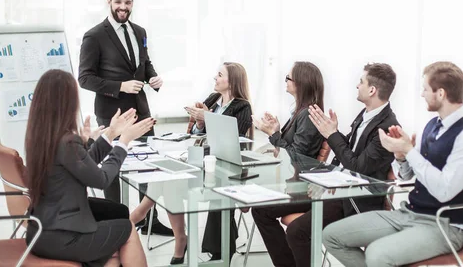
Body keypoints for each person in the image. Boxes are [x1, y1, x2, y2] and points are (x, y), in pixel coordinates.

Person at [323, 61, 463, 267]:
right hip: (409, 214)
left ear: (441, 94)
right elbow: (406, 176)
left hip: (442, 226)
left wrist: (410, 151)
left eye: (425, 89)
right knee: (331, 236)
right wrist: (401, 156)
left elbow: (444, 191)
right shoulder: (432, 126)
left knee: (377, 254)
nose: (422, 94)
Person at [252, 63, 399, 267]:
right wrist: (324, 179)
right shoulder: (365, 116)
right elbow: (345, 153)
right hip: (336, 190)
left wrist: (331, 135)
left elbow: (357, 167)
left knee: (297, 232)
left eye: (361, 82)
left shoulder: (387, 127)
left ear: (372, 90)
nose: (357, 86)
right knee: (261, 210)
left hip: (354, 199)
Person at [24, 69, 153, 267]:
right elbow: (101, 179)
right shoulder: (66, 141)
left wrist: (109, 134)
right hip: (62, 236)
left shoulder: (42, 137)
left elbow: (83, 166)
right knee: (127, 229)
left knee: (117, 214)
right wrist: (124, 142)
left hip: (41, 229)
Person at [129, 62, 253, 264]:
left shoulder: (242, 106)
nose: (215, 77)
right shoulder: (213, 99)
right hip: (200, 161)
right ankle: (176, 235)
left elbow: (234, 139)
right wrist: (200, 123)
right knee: (167, 176)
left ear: (232, 81)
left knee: (168, 179)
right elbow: (196, 135)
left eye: (219, 74)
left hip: (222, 168)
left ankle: (143, 214)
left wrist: (207, 118)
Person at [78, 0, 171, 235]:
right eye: (118, 2)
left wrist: (153, 78)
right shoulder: (94, 35)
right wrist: (120, 86)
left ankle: (148, 221)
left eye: (128, 3)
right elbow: (84, 78)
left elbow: (145, 62)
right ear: (109, 1)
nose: (123, 7)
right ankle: (114, 224)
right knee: (113, 171)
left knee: (148, 166)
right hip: (112, 115)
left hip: (141, 110)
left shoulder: (140, 31)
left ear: (133, 3)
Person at [250, 61, 326, 266]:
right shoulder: (300, 111)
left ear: (301, 82)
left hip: (304, 189)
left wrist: (273, 134)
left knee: (260, 210)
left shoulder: (309, 114)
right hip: (295, 183)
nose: (285, 81)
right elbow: (292, 150)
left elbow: (295, 156)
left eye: (288, 78)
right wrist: (277, 130)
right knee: (258, 205)